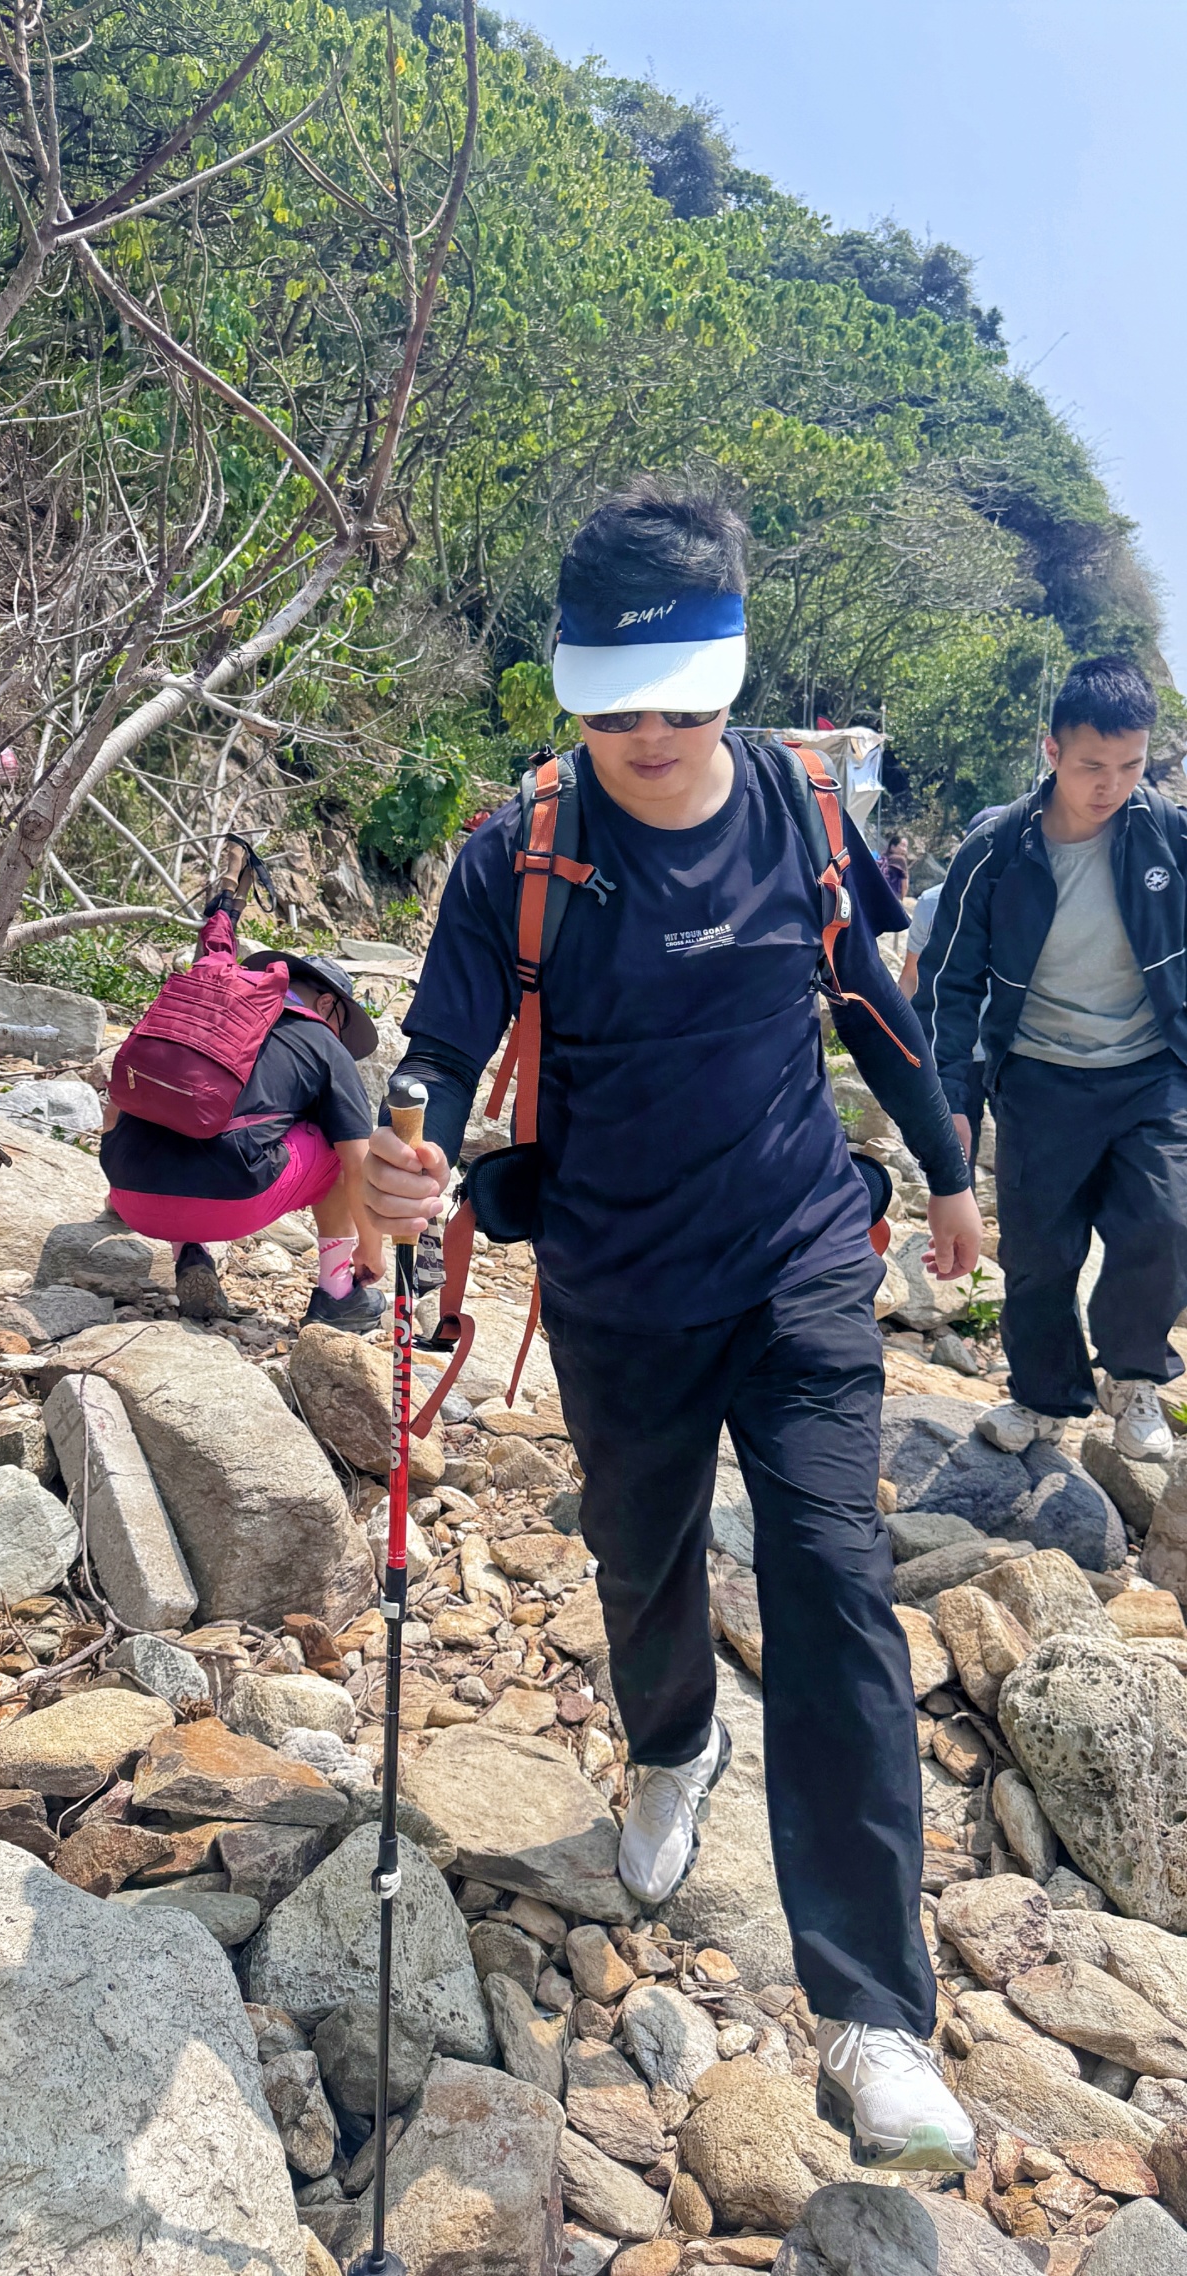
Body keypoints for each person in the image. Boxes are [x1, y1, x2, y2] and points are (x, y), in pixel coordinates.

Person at [362, 478, 984, 2173]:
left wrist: (946, 1170)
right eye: (615, 705)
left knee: (835, 1584)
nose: (648, 736)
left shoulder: (798, 808)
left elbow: (869, 998)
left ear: (734, 676)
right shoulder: (522, 858)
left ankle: (875, 2019)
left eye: (682, 703)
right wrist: (403, 1150)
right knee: (639, 1561)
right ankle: (671, 1748)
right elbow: (438, 1049)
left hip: (798, 1261)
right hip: (617, 1281)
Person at [915, 655, 1186, 1463]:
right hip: (1038, 1076)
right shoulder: (996, 849)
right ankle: (1042, 1395)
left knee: (1167, 1223)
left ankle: (1133, 1376)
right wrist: (951, 1103)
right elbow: (948, 984)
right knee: (1038, 1253)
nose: (1112, 785)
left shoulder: (1170, 835)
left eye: (1131, 766)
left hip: (1152, 1071)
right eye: (1093, 765)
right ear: (1052, 750)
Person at [102, 842, 386, 1329]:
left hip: (131, 1196)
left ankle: (189, 1254)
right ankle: (338, 1294)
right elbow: (358, 1162)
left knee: (179, 1101)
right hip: (224, 1204)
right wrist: (372, 1247)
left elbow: (117, 1100)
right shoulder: (321, 1041)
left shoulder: (211, 1009)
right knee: (339, 1143)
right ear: (327, 1006)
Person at [899, 809, 1004, 1170]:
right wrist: (902, 1041)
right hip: (954, 1052)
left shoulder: (1024, 903)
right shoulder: (932, 903)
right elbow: (911, 976)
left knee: (1019, 1156)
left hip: (1007, 1050)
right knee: (957, 1153)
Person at [878, 832, 910, 898]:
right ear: (892, 847)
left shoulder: (882, 857)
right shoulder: (900, 860)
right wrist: (901, 899)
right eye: (902, 846)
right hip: (892, 896)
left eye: (906, 847)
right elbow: (905, 885)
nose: (905, 850)